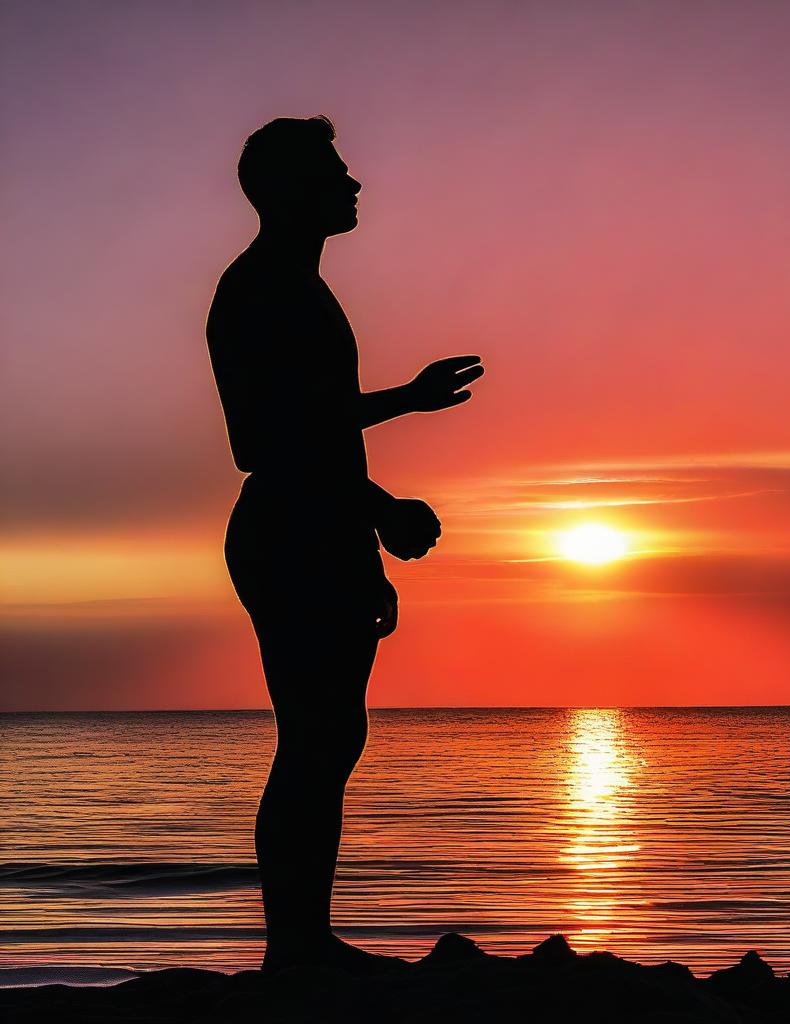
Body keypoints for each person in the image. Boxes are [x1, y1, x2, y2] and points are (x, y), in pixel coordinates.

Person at [205, 115, 483, 972]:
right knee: (314, 738)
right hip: (289, 531)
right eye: (335, 172)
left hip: (320, 526)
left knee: (332, 738)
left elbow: (311, 435)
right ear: (287, 189)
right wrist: (403, 409)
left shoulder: (302, 286)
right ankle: (297, 950)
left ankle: (305, 942)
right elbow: (264, 439)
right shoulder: (260, 288)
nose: (354, 184)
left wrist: (373, 518)